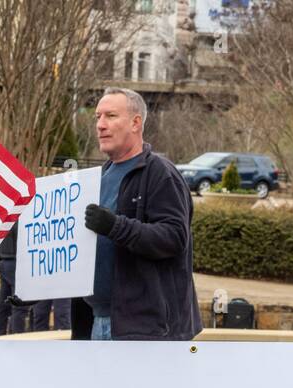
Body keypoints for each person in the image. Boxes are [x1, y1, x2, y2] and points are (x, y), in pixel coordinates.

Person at [73, 87, 201, 341]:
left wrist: (115, 226)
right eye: (97, 117)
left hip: (144, 330)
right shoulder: (97, 178)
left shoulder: (160, 173)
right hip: (96, 322)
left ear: (135, 123)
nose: (100, 125)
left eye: (110, 116)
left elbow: (174, 238)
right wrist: (35, 289)